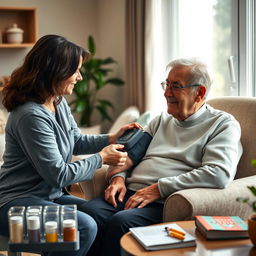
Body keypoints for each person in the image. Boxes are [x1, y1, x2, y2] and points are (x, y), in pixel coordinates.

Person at [82, 58, 243, 256]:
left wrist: (159, 188)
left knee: (121, 222)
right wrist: (118, 178)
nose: (166, 93)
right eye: (166, 85)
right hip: (129, 193)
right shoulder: (161, 120)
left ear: (199, 93)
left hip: (165, 202)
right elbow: (128, 155)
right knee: (88, 215)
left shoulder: (222, 125)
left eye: (175, 86)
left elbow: (218, 173)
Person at [0, 34, 139, 256]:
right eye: (75, 71)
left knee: (101, 216)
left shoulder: (57, 101)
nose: (80, 77)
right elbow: (59, 175)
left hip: (48, 197)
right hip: (13, 205)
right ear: (55, 71)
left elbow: (75, 141)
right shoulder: (30, 115)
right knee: (83, 226)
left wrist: (111, 138)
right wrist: (101, 157)